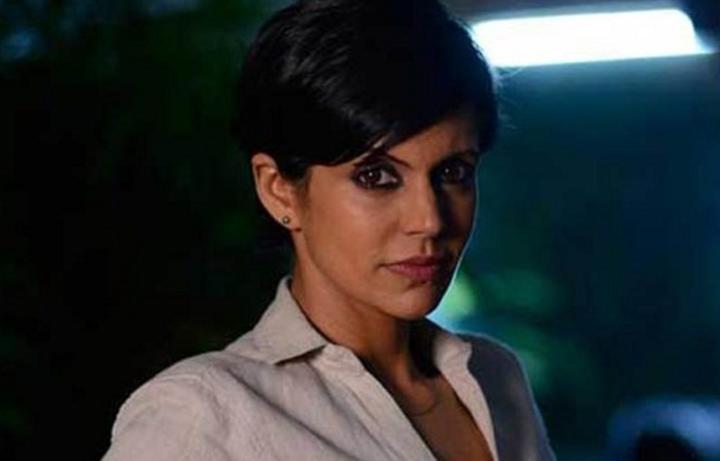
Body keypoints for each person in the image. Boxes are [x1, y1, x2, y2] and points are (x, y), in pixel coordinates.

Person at [101, 0, 555, 460]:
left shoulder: (495, 379)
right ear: (279, 190)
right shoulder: (204, 416)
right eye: (376, 176)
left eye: (453, 172)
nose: (430, 220)